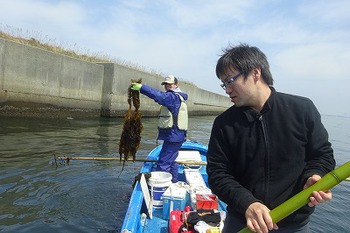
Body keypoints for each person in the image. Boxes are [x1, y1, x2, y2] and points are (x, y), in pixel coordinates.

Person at [206, 43, 335, 233]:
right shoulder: (224, 123)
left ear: (255, 73)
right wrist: (248, 203)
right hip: (242, 221)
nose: (227, 89)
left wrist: (315, 175)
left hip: (294, 224)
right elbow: (218, 173)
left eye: (230, 80)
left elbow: (323, 156)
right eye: (224, 83)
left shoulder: (302, 109)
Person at [131, 75, 188, 182]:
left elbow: (159, 96)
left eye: (170, 84)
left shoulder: (173, 97)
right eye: (166, 84)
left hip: (173, 136)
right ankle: (174, 181)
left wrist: (141, 88)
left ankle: (162, 187)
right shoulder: (179, 97)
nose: (167, 86)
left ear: (176, 85)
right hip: (177, 136)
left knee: (163, 163)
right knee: (171, 161)